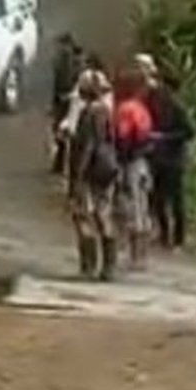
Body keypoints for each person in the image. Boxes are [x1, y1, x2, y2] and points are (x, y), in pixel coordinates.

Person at [69, 69, 120, 280]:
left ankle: (88, 265)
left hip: (90, 171)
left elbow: (87, 146)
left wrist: (77, 178)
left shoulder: (89, 114)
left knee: (83, 217)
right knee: (104, 215)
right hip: (108, 168)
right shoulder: (107, 111)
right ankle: (109, 267)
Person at [147, 65, 196, 251]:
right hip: (159, 157)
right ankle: (164, 233)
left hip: (174, 158)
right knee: (158, 197)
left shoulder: (177, 107)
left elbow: (189, 132)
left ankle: (178, 238)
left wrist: (165, 137)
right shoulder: (158, 104)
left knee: (176, 200)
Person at [113, 66, 156, 271]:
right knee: (142, 207)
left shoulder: (126, 109)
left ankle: (134, 255)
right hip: (143, 162)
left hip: (129, 163)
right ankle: (142, 257)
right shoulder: (142, 110)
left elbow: (122, 137)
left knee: (131, 208)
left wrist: (118, 161)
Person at [50, 33, 83, 175]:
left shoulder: (73, 62)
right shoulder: (63, 62)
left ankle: (67, 166)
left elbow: (71, 83)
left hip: (70, 101)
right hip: (62, 100)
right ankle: (60, 163)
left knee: (68, 133)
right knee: (60, 132)